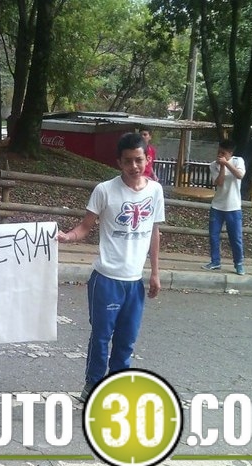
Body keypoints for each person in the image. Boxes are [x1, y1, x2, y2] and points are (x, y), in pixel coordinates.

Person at [56, 132, 164, 402]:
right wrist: (67, 237)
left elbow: (154, 232)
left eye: (139, 160)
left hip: (134, 282)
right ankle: (92, 386)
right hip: (106, 280)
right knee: (102, 338)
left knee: (126, 342)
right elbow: (84, 227)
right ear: (119, 162)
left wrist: (155, 273)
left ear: (147, 158)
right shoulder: (105, 190)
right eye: (128, 161)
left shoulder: (155, 191)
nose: (134, 167)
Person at [203, 139, 246, 275]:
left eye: (223, 153)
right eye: (218, 151)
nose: (219, 155)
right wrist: (222, 166)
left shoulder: (238, 161)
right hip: (217, 206)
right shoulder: (213, 165)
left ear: (230, 153)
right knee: (214, 235)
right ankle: (215, 262)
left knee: (236, 237)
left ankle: (238, 263)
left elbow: (239, 175)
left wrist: (226, 164)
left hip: (233, 206)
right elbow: (219, 183)